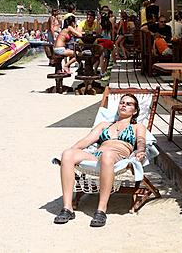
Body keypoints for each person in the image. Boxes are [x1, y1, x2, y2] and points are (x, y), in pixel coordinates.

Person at [55, 94, 147, 227]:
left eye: (129, 104)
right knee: (68, 154)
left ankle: (101, 210)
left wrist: (141, 151)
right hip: (98, 155)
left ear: (135, 110)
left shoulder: (137, 127)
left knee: (108, 155)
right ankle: (67, 208)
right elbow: (86, 141)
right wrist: (70, 151)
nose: (124, 105)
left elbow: (141, 141)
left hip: (117, 156)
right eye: (122, 102)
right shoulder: (104, 125)